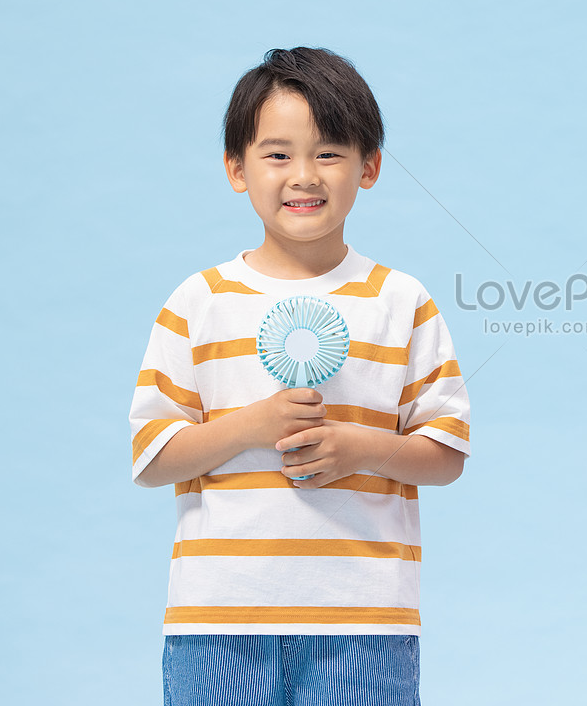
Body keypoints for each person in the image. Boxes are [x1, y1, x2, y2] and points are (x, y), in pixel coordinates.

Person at [129, 47, 470, 705]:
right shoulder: (198, 302)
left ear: (369, 167)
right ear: (237, 168)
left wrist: (359, 447)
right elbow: (152, 459)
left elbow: (446, 454)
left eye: (330, 153)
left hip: (364, 619)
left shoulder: (401, 301)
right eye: (278, 154)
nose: (304, 175)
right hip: (218, 621)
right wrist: (252, 425)